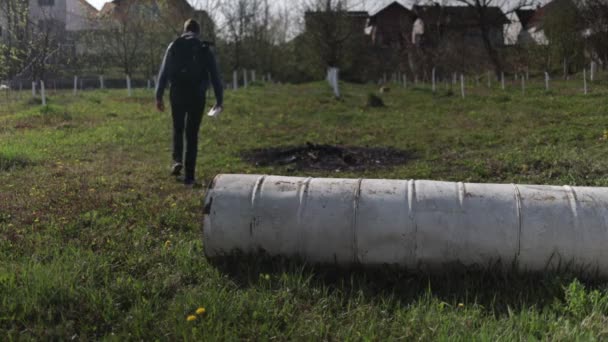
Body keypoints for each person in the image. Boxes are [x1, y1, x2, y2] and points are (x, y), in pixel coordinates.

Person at [156, 19, 223, 187]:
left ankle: (177, 160)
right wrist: (219, 99)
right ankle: (190, 177)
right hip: (197, 95)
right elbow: (215, 76)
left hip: (177, 93)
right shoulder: (203, 48)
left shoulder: (174, 45)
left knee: (178, 128)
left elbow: (163, 72)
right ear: (197, 32)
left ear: (184, 30)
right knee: (192, 135)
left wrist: (158, 96)